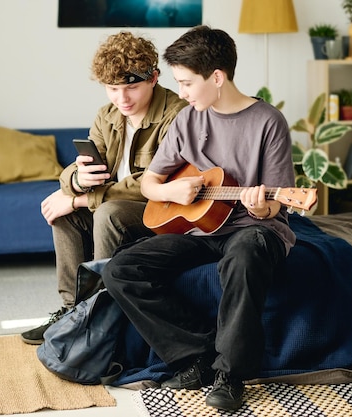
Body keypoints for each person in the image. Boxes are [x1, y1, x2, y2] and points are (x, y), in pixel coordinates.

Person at [101, 26, 296, 411]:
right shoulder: (189, 120)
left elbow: (277, 204)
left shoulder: (268, 122)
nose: (183, 93)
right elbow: (150, 185)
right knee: (121, 270)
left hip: (254, 227)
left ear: (218, 78)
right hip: (200, 228)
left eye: (187, 83)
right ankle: (199, 355)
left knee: (244, 254)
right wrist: (170, 191)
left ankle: (231, 373)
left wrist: (261, 206)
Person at [20, 31, 187, 345]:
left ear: (153, 78)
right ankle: (72, 311)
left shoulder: (176, 115)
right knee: (63, 213)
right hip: (112, 205)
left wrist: (82, 200)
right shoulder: (106, 115)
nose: (122, 99)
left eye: (132, 87)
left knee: (106, 213)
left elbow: (154, 182)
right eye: (113, 89)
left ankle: (101, 313)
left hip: (161, 211)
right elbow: (75, 167)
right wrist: (77, 182)